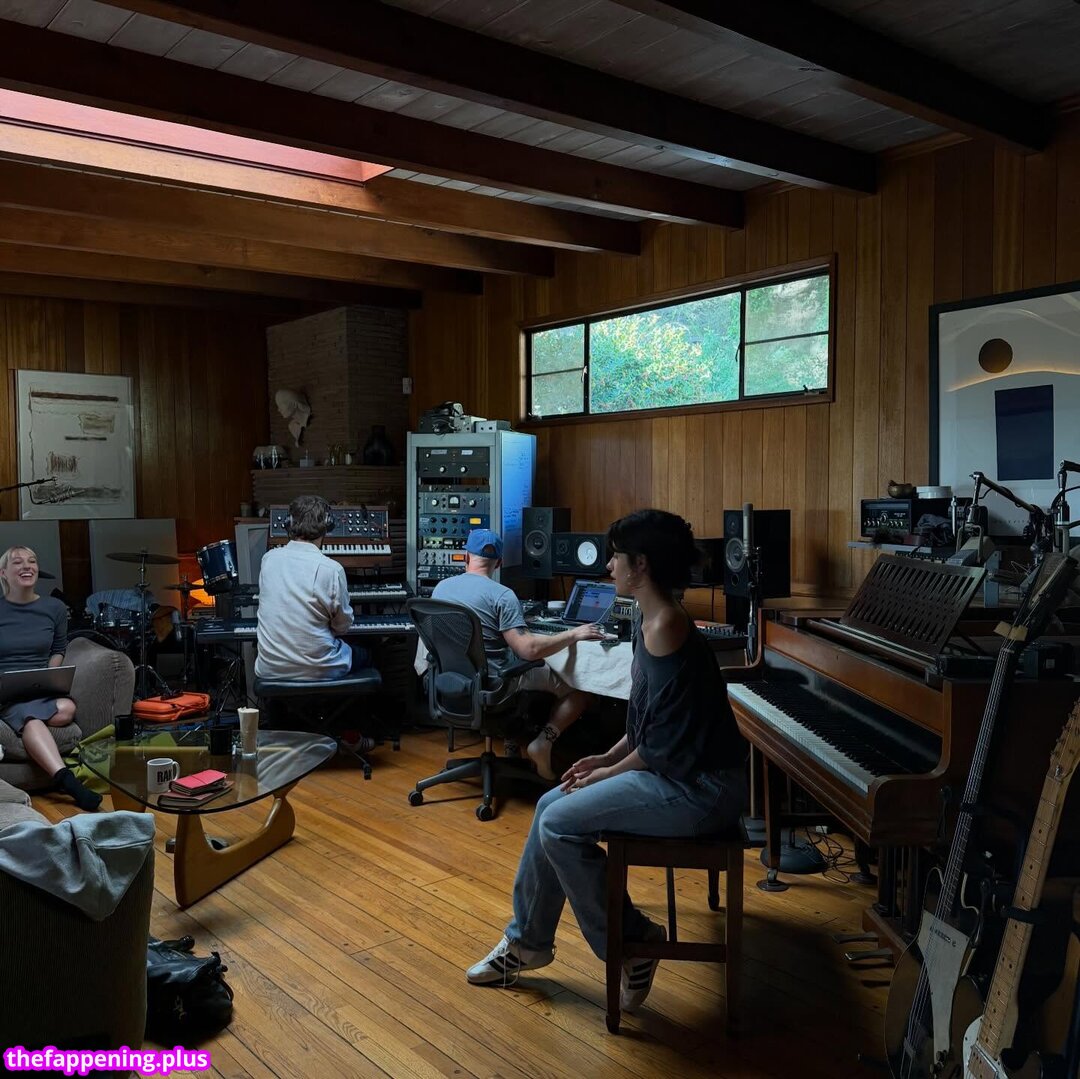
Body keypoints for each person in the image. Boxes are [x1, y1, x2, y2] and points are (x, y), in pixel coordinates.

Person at [465, 509, 748, 1013]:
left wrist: (606, 773)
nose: (608, 566)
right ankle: (528, 942)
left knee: (558, 822)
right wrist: (606, 755)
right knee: (549, 804)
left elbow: (663, 746)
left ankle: (633, 944)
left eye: (616, 557)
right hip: (674, 775)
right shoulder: (649, 618)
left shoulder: (667, 625)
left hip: (702, 790)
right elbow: (647, 722)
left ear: (641, 565)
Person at [431, 528, 607, 779]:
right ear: (499, 563)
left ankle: (513, 742)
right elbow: (529, 649)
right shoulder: (502, 596)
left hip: (455, 680)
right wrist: (573, 634)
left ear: (466, 557)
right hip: (496, 683)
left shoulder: (441, 589)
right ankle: (543, 742)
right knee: (579, 688)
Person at [254, 496, 373, 736]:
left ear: (288, 524)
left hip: (270, 667)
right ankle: (350, 734)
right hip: (318, 668)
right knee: (368, 651)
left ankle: (284, 733)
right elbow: (342, 627)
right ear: (327, 525)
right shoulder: (331, 569)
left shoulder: (268, 560)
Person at [0, 546, 101, 811]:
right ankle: (67, 781)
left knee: (66, 708)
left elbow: (58, 649)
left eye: (32, 561)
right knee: (32, 717)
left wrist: (49, 676)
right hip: (5, 689)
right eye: (18, 562)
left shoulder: (53, 607)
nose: (27, 566)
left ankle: (27, 718)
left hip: (37, 687)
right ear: (3, 573)